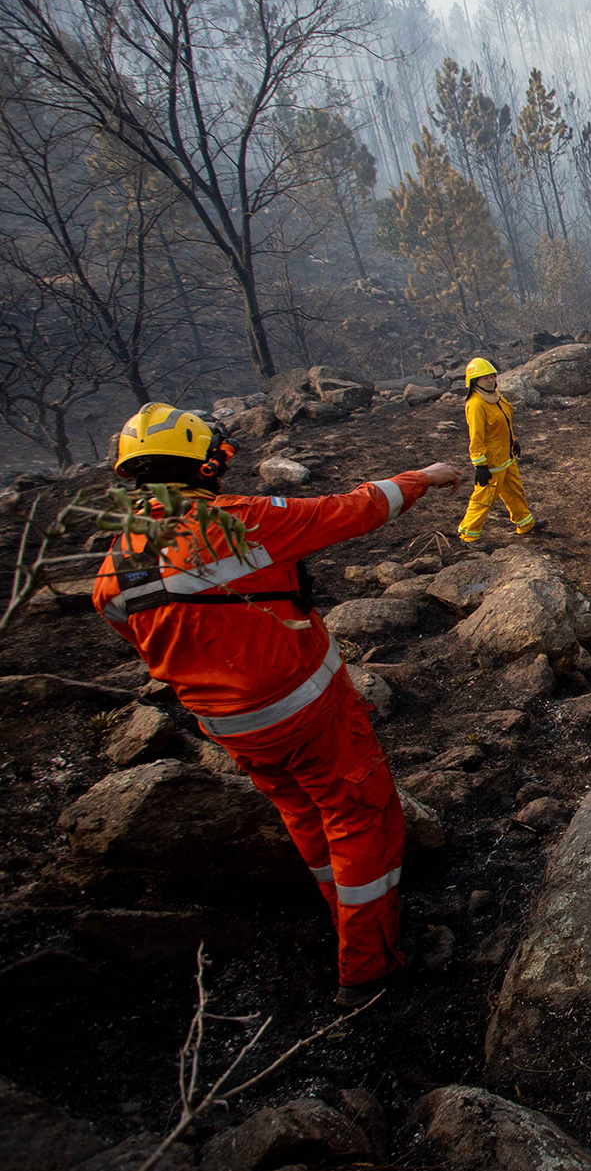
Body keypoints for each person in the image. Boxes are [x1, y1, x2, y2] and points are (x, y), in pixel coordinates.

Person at [92, 402, 463, 1005]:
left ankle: (345, 916)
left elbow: (133, 633)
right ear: (205, 465)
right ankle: (371, 965)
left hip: (230, 730)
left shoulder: (117, 565)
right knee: (362, 818)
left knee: (305, 816)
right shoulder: (242, 522)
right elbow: (353, 509)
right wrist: (423, 475)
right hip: (306, 714)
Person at [457, 357, 535, 544]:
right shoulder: (476, 404)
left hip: (505, 456)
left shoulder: (495, 396)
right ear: (474, 380)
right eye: (485, 377)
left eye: (492, 375)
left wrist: (513, 442)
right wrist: (480, 465)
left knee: (514, 491)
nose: (490, 379)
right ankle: (468, 534)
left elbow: (504, 423)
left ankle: (525, 524)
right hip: (492, 462)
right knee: (484, 498)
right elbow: (476, 436)